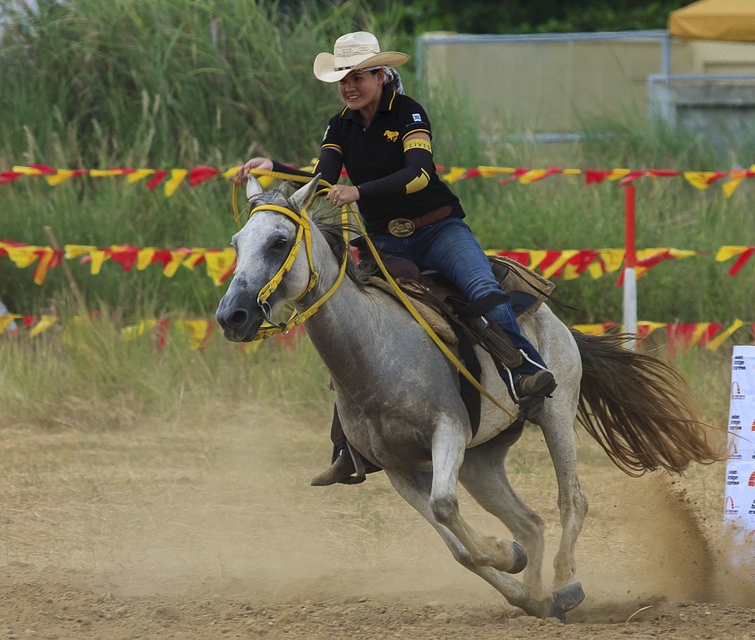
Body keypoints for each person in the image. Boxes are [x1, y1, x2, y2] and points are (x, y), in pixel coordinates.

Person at [231, 31, 556, 486]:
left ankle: (525, 370)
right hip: (386, 241)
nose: (349, 85)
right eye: (343, 78)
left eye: (358, 76)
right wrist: (276, 168)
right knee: (354, 320)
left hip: (438, 229)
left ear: (381, 75)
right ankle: (349, 442)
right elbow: (323, 178)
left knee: (481, 289)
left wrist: (359, 191)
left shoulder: (409, 113)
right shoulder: (339, 125)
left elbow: (420, 174)